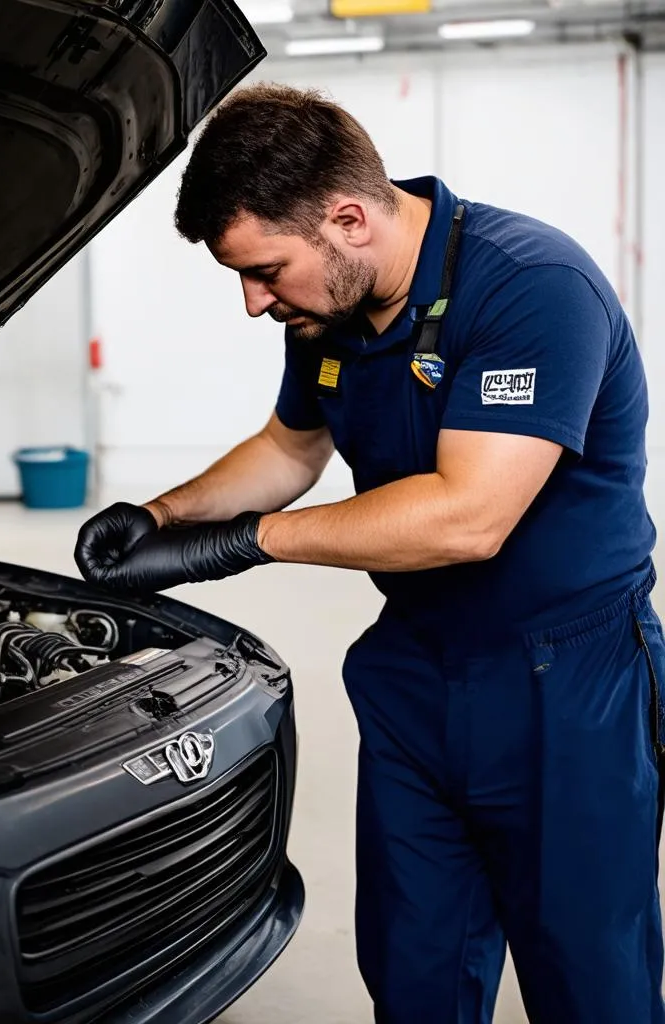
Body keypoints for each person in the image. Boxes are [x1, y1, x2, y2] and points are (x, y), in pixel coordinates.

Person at [73, 83, 665, 1024]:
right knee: (414, 961)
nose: (253, 302)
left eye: (265, 270)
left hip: (566, 676)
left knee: (589, 972)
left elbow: (468, 517)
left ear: (348, 219)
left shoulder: (533, 288)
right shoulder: (330, 311)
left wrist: (243, 545)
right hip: (415, 666)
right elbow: (290, 448)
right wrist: (163, 514)